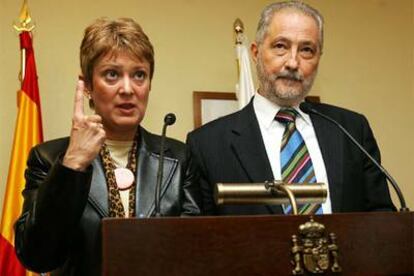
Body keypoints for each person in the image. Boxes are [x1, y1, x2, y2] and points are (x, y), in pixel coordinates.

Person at [14, 17, 201, 275]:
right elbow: (38, 256)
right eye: (112, 74)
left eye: (139, 75)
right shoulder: (48, 158)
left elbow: (195, 252)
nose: (127, 89)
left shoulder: (179, 158)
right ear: (88, 85)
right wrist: (72, 165)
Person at [186, 1, 395, 215]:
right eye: (280, 46)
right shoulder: (206, 144)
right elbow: (201, 240)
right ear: (256, 53)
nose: (293, 62)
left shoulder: (351, 130)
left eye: (306, 50)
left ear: (318, 59)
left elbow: (382, 219)